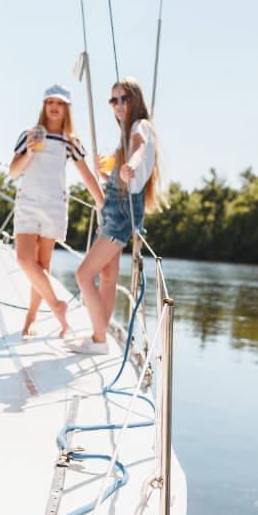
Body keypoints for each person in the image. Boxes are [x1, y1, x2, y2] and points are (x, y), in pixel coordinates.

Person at [69, 77, 165, 355]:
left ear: (135, 100)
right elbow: (129, 163)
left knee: (83, 275)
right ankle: (99, 335)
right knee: (108, 276)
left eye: (123, 99)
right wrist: (109, 174)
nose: (117, 105)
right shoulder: (127, 132)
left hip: (121, 213)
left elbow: (139, 149)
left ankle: (99, 341)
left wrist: (129, 167)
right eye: (113, 100)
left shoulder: (140, 126)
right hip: (118, 208)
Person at [9, 84, 103, 338]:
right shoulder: (28, 135)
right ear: (44, 105)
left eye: (60, 103)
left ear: (66, 109)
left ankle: (30, 321)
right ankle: (56, 305)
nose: (54, 106)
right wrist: (29, 151)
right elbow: (14, 171)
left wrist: (103, 203)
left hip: (53, 205)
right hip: (28, 201)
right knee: (24, 259)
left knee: (43, 263)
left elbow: (86, 175)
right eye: (50, 101)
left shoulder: (70, 142)